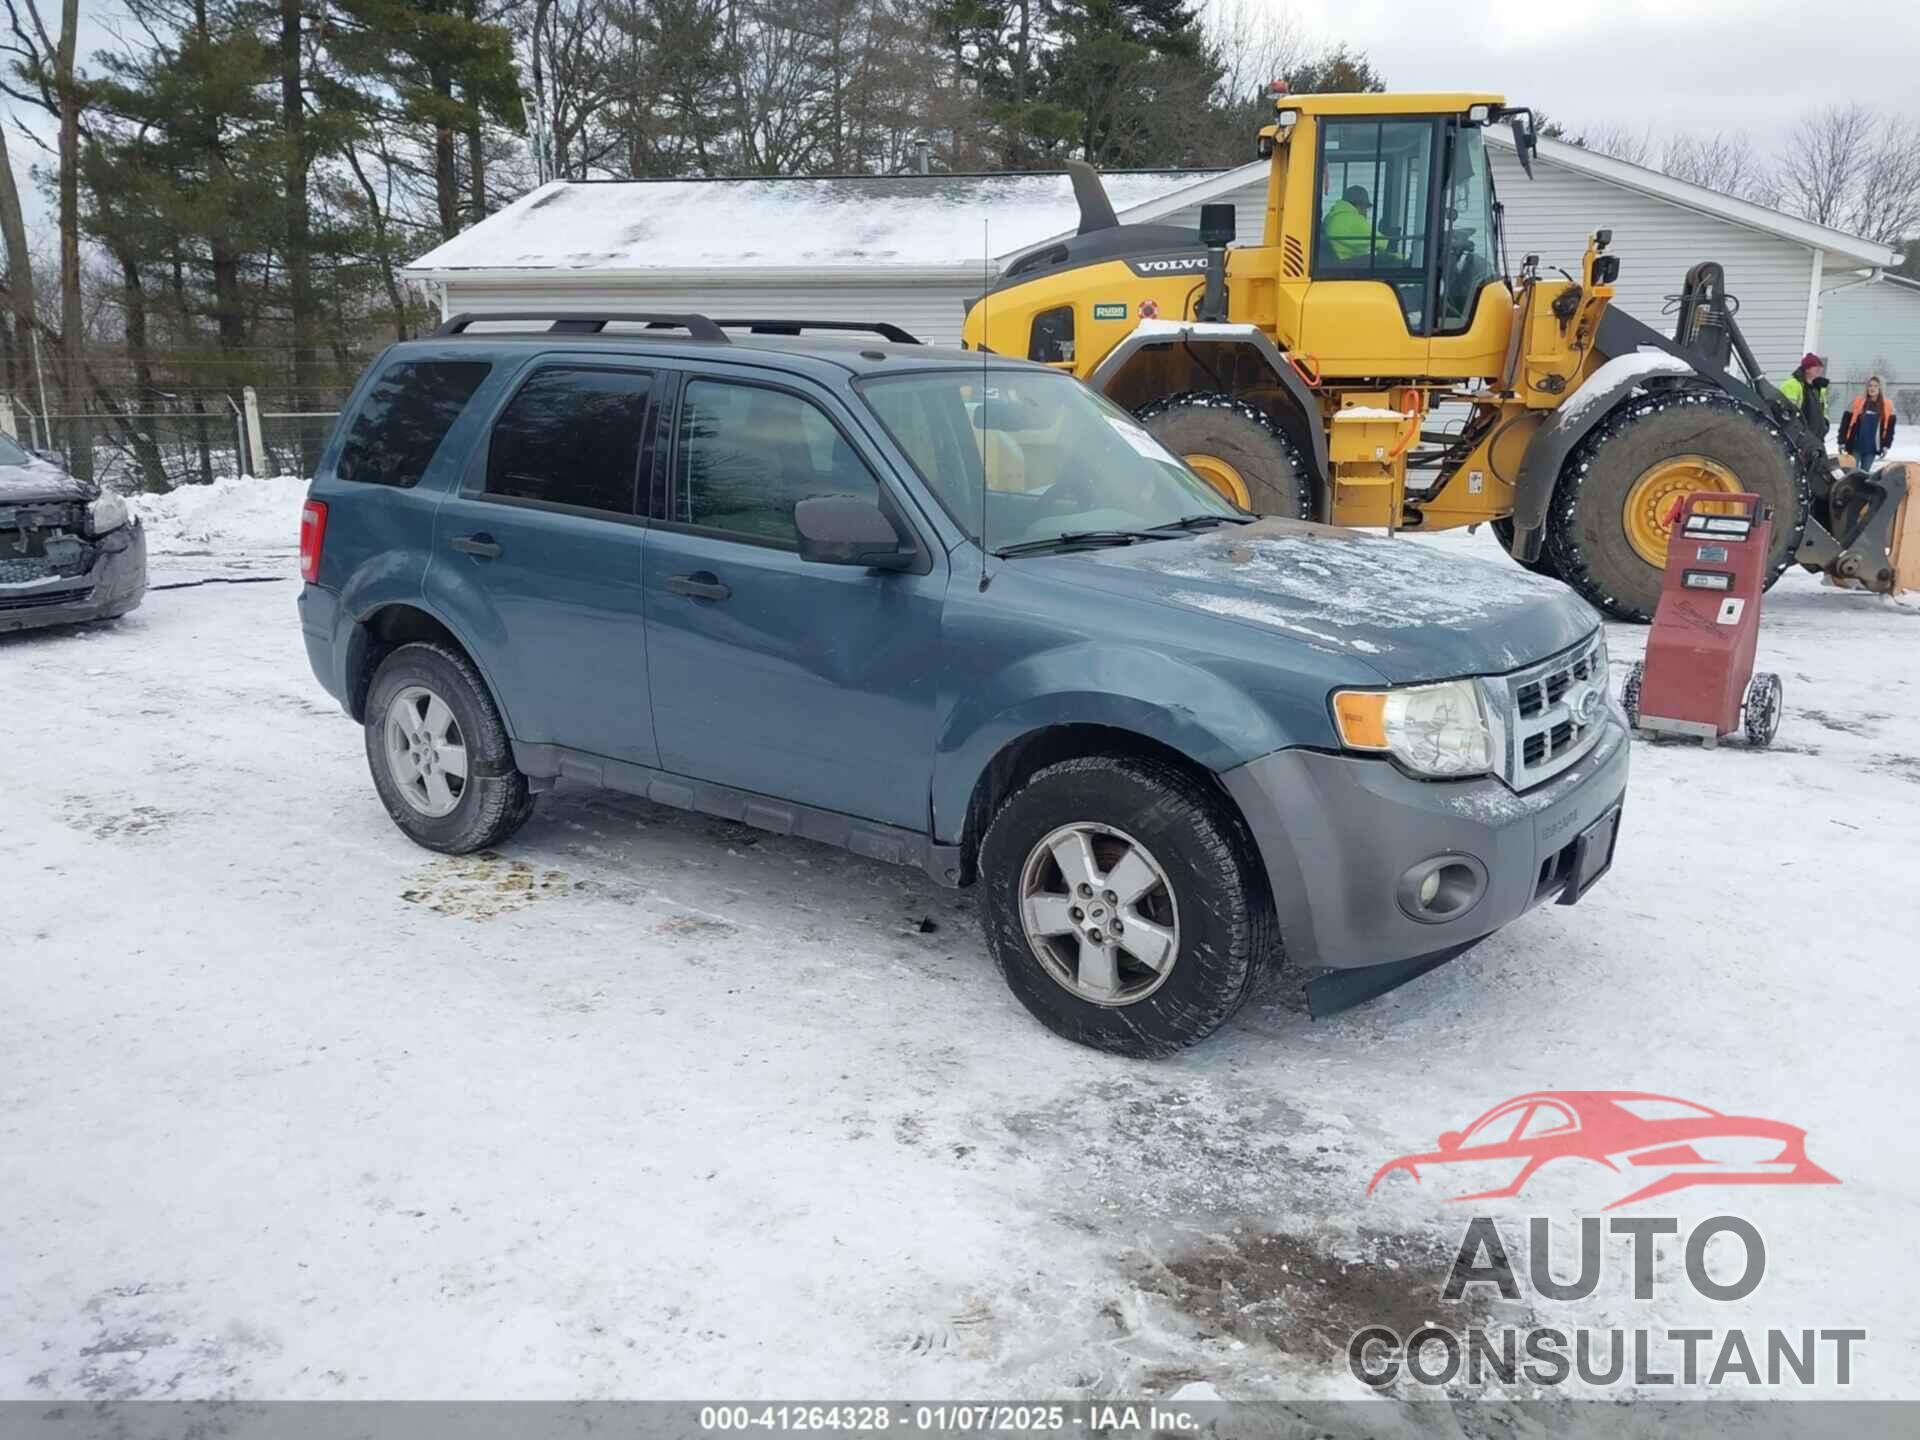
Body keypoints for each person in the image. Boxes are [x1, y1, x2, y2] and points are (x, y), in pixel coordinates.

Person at [1837, 374, 1897, 472]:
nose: (1872, 388)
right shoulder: (1857, 402)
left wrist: (1886, 445)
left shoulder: (1888, 406)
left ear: (1881, 388)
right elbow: (1844, 424)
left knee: (1864, 475)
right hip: (1855, 446)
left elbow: (1890, 430)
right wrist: (1841, 441)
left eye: (1875, 386)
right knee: (1851, 474)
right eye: (1870, 385)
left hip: (1872, 448)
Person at [1324, 185, 1398, 263]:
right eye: (1366, 208)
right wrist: (1402, 259)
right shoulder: (1352, 219)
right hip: (1346, 266)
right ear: (1360, 205)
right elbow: (1384, 243)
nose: (1366, 212)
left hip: (1336, 263)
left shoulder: (1331, 217)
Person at [1777, 352, 1830, 440]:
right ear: (1807, 369)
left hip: (1816, 438)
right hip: (1797, 438)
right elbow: (1785, 412)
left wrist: (1825, 425)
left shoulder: (1818, 388)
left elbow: (1823, 410)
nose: (1820, 369)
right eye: (1816, 367)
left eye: (1820, 367)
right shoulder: (1792, 385)